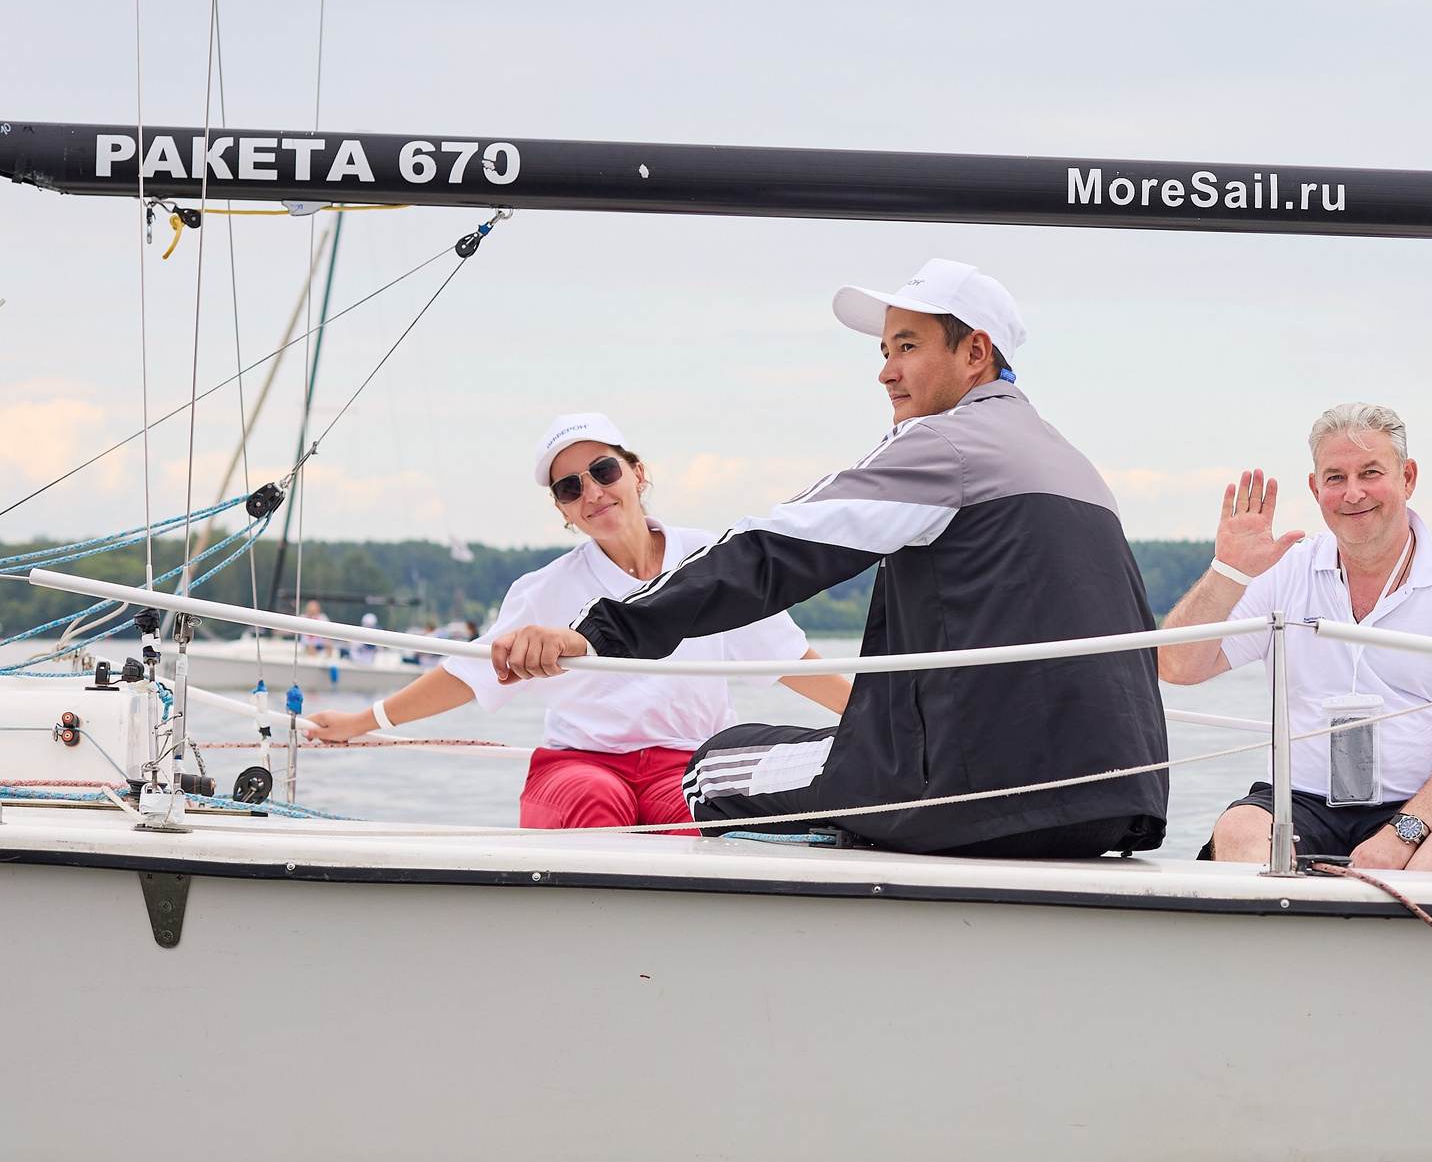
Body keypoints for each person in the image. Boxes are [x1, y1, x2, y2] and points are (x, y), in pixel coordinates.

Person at [490, 260, 1168, 859]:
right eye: (883, 349)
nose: (885, 369)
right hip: (1118, 798)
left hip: (976, 794)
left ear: (975, 352)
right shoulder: (1078, 467)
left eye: (907, 345)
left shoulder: (941, 445)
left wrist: (600, 632)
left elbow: (774, 549)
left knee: (708, 771)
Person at [305, 412, 851, 829]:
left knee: (693, 815)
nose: (591, 491)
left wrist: (888, 728)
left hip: (687, 764)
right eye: (569, 488)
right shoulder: (543, 590)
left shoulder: (712, 562)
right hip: (580, 765)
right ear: (564, 511)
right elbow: (466, 675)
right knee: (594, 800)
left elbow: (792, 664)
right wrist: (361, 723)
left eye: (603, 470)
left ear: (637, 474)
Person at [1158, 402, 1432, 871]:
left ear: (1408, 478)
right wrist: (1229, 571)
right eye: (1335, 478)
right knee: (1240, 832)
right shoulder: (1282, 573)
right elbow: (1176, 667)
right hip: (1303, 799)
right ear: (1315, 488)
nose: (1353, 493)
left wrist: (1402, 833)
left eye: (1371, 473)